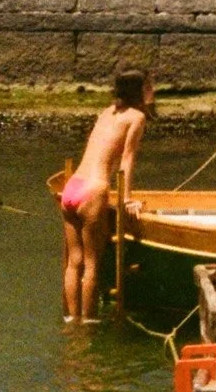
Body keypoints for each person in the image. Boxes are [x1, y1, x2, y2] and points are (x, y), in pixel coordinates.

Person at [56, 69, 154, 323]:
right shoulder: (137, 117)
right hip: (93, 190)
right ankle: (87, 324)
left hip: (72, 187)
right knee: (91, 264)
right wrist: (126, 198)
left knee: (73, 262)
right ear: (141, 90)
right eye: (149, 86)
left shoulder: (106, 112)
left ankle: (70, 320)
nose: (153, 90)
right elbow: (127, 159)